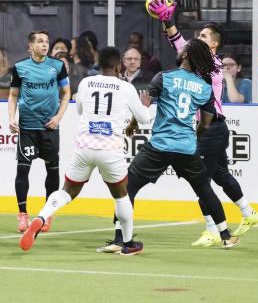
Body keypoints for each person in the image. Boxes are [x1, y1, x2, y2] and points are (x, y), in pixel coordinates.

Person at [98, 38, 239, 253]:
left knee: (127, 188)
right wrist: (193, 136)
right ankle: (226, 235)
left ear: (185, 56)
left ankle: (119, 239)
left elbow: (144, 105)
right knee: (204, 189)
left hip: (159, 146)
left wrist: (132, 125)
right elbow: (206, 123)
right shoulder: (204, 87)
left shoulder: (163, 78)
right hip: (186, 148)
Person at [148, 0, 258, 247]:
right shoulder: (206, 62)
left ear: (213, 44)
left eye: (202, 36)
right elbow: (180, 47)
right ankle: (248, 212)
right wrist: (168, 24)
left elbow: (180, 46)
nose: (196, 40)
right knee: (220, 174)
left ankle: (212, 229)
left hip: (210, 129)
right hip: (216, 128)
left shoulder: (210, 62)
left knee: (201, 182)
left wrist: (170, 23)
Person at [19, 47, 152, 255]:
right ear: (119, 66)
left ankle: (41, 217)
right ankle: (128, 244)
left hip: (84, 146)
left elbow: (80, 109)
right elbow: (144, 119)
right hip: (110, 148)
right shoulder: (126, 88)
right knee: (121, 195)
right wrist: (145, 105)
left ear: (99, 63)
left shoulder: (85, 83)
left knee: (67, 191)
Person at [8, 30, 71, 233]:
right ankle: (22, 215)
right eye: (40, 41)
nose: (45, 45)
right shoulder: (19, 68)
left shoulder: (58, 66)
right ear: (31, 46)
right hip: (27, 127)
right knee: (22, 170)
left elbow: (66, 93)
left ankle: (47, 214)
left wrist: (58, 118)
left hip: (49, 127)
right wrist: (12, 118)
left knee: (52, 171)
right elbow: (13, 95)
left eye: (47, 41)